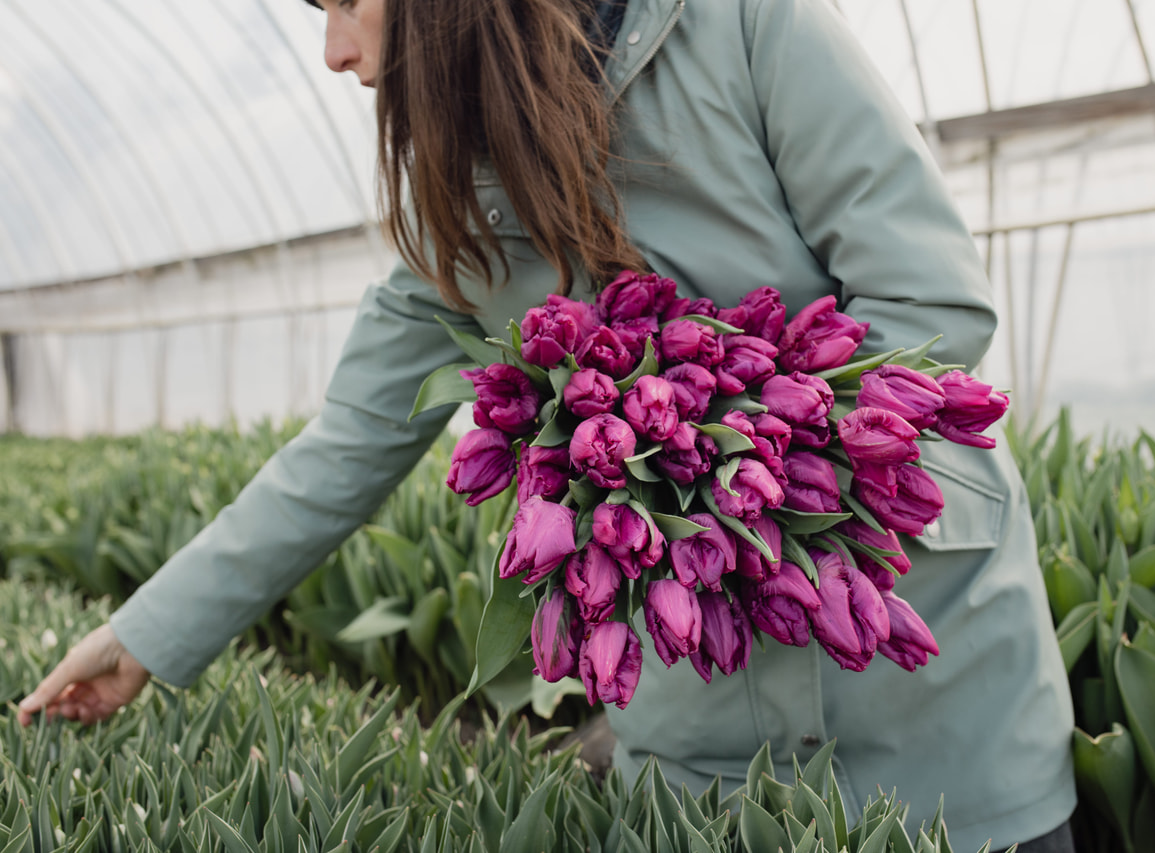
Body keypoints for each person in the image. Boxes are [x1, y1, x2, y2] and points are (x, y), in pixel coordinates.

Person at [19, 1, 1076, 850]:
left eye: (344, 4)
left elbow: (932, 312)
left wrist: (695, 445)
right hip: (700, 731)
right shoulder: (453, 219)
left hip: (929, 692)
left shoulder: (746, 25)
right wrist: (144, 636)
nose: (334, 52)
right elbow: (343, 445)